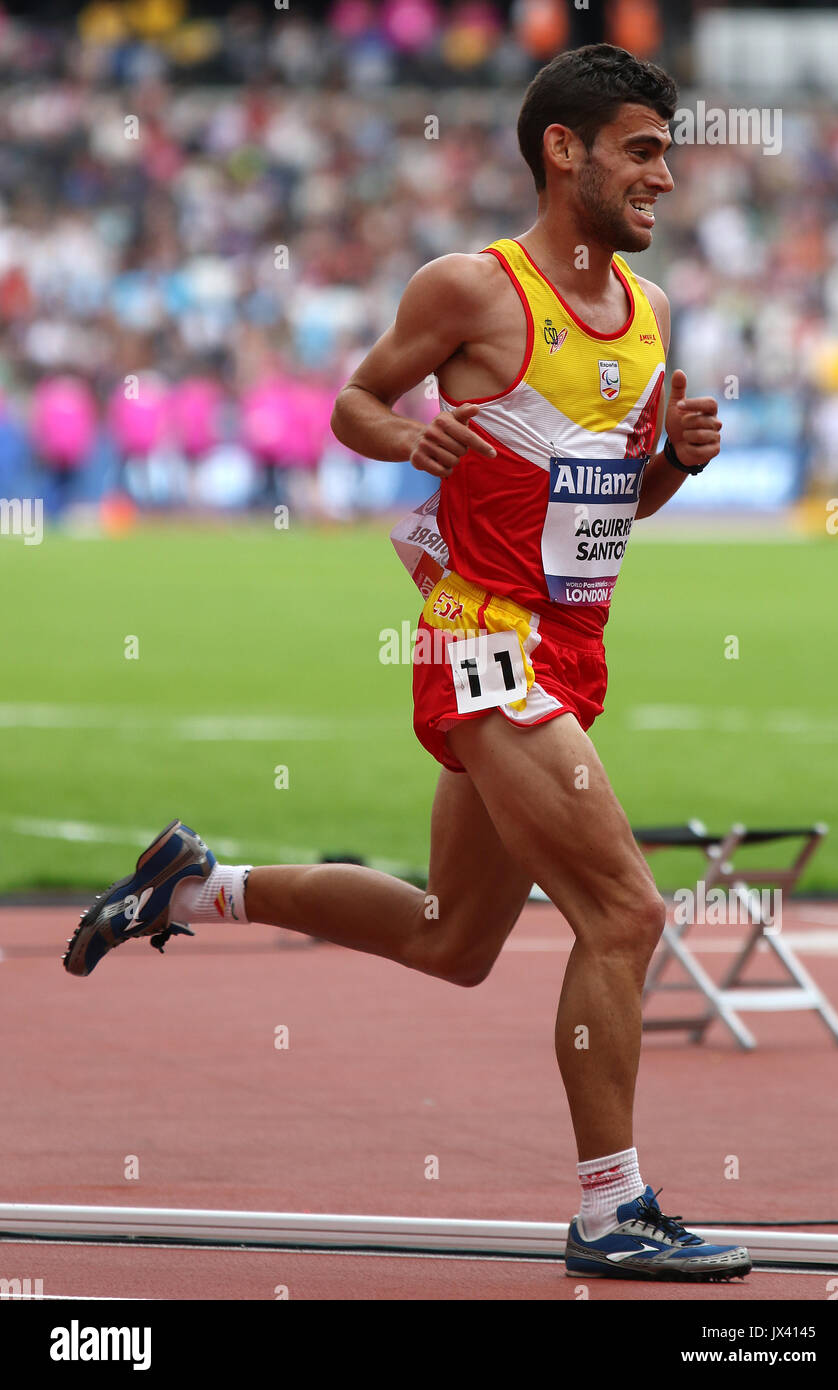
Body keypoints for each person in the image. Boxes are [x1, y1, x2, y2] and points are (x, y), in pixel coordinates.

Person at [63, 45, 749, 1283]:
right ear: (564, 149)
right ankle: (612, 1211)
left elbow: (607, 511)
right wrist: (413, 443)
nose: (663, 174)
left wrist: (674, 465)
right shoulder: (472, 290)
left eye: (666, 150)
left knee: (450, 938)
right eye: (641, 149)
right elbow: (355, 403)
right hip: (481, 636)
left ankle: (190, 886)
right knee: (625, 910)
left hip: (570, 646)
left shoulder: (645, 317)